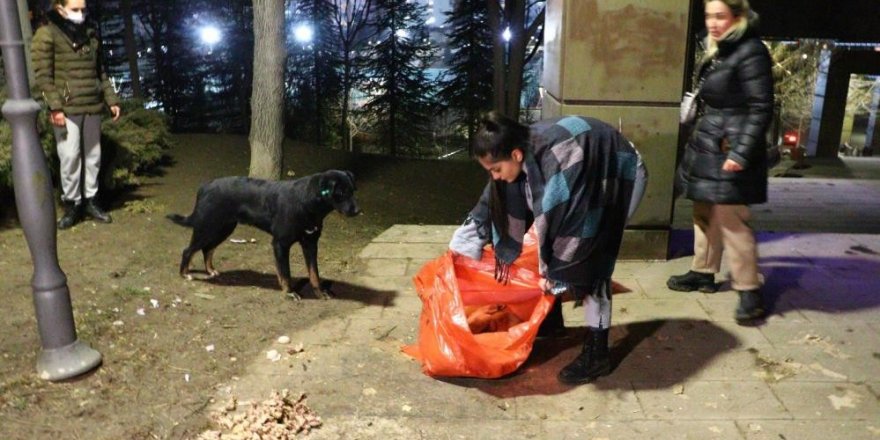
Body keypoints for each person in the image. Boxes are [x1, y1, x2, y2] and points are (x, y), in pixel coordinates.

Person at [449, 112, 647, 385]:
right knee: (548, 248)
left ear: (516, 155)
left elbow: (577, 220)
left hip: (615, 169)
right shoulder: (515, 148)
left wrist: (559, 276)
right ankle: (552, 321)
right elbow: (494, 197)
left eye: (496, 170)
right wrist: (470, 233)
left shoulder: (557, 159)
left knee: (593, 257)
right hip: (584, 164)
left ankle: (597, 353)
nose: (495, 177)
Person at [667, 0, 774, 324]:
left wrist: (741, 153)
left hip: (731, 144)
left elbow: (761, 106)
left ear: (738, 17)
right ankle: (703, 271)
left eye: (720, 16)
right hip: (710, 141)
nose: (712, 22)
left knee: (731, 218)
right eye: (709, 16)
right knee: (704, 210)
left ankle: (749, 290)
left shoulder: (750, 51)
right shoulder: (721, 47)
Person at [32, 0, 121, 229]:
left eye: (83, 9)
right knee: (70, 157)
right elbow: (43, 76)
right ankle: (73, 204)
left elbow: (100, 71)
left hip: (92, 105)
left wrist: (111, 99)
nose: (81, 13)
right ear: (60, 8)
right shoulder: (46, 34)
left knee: (93, 156)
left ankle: (91, 201)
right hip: (67, 108)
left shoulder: (90, 33)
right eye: (75, 9)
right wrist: (55, 107)